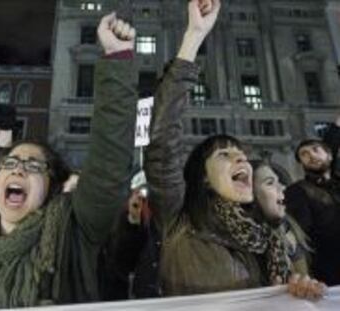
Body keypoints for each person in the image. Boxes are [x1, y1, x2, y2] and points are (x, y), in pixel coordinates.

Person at [0, 12, 138, 310]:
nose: (19, 168)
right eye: (10, 163)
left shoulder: (71, 237)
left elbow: (108, 165)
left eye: (34, 165)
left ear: (52, 186)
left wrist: (117, 59)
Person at [144, 0, 320, 298]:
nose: (241, 158)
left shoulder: (270, 235)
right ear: (203, 177)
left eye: (240, 154)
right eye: (224, 154)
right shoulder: (181, 222)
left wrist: (298, 288)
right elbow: (162, 141)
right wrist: (194, 37)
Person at [251, 160, 326, 299]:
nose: (283, 187)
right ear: (249, 194)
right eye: (270, 183)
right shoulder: (246, 246)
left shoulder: (291, 230)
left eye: (279, 181)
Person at [285, 114, 340, 285]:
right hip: (330, 276)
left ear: (330, 156)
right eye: (304, 154)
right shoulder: (297, 191)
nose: (311, 156)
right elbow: (302, 238)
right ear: (301, 163)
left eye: (316, 150)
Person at [99, 170, 162, 300]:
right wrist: (133, 222)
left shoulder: (159, 216)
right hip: (133, 293)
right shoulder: (122, 218)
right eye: (137, 192)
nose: (142, 197)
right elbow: (122, 258)